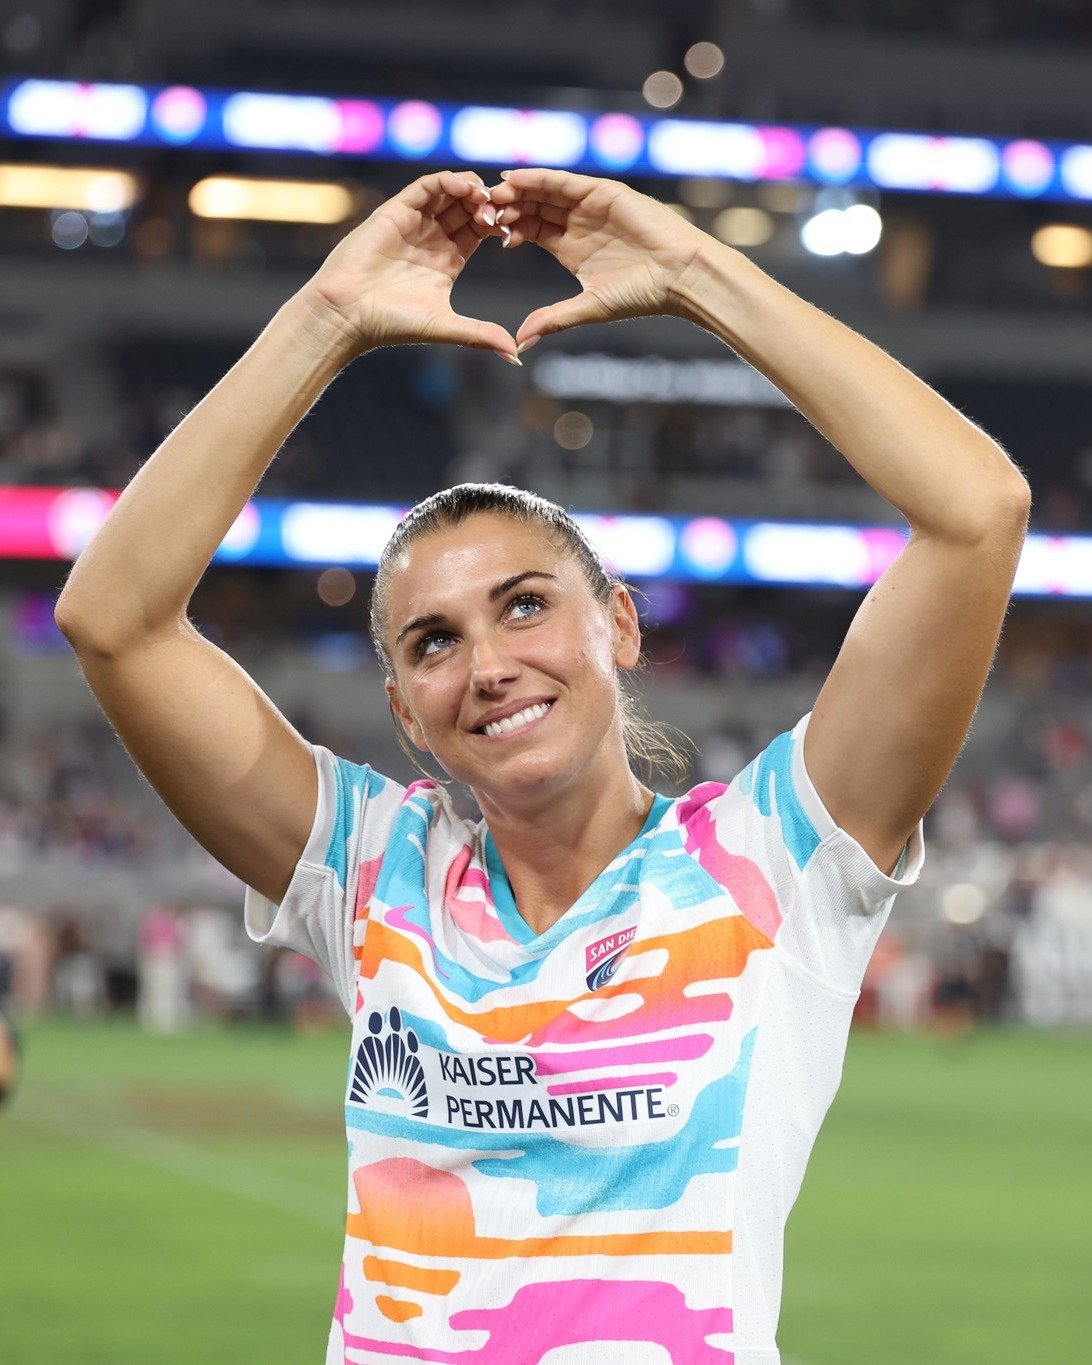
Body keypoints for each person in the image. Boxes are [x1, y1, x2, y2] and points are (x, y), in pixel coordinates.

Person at [55, 168, 1029, 1364]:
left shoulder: (776, 859)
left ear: (619, 623)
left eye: (525, 607)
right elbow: (114, 619)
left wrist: (694, 276)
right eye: (434, 643)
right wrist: (325, 317)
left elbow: (978, 510)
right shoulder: (373, 871)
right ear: (408, 714)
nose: (488, 665)